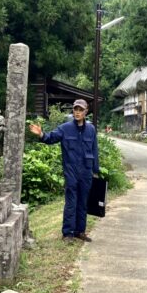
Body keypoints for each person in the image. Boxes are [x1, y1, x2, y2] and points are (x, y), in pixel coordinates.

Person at [28, 99, 100, 242]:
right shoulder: (65, 128)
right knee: (71, 201)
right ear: (73, 111)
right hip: (71, 170)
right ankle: (68, 233)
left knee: (83, 202)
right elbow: (51, 138)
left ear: (86, 112)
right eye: (75, 109)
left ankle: (80, 231)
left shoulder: (91, 130)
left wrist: (95, 170)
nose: (77, 112)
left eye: (80, 110)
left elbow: (94, 150)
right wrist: (41, 134)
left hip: (86, 172)